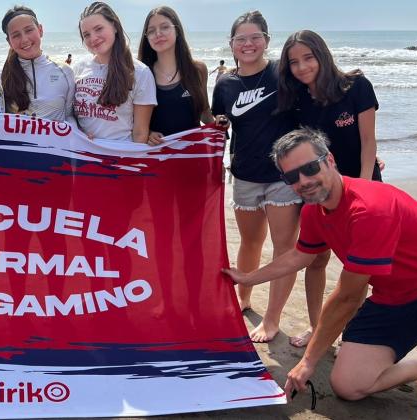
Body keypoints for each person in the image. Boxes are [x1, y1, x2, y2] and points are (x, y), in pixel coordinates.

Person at [223, 127, 417, 418]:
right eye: (292, 177)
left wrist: (308, 361)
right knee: (349, 385)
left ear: (330, 160)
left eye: (310, 168)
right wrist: (248, 277)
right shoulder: (314, 211)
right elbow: (300, 256)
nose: (304, 181)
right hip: (393, 299)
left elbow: (348, 297)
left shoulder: (369, 209)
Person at [278, 29, 384, 347]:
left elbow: (368, 142)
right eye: (294, 62)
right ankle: (318, 327)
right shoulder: (296, 100)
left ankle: (357, 335)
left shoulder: (356, 86)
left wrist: (363, 186)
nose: (302, 67)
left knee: (364, 265)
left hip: (362, 186)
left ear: (322, 54)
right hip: (317, 191)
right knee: (317, 259)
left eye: (308, 57)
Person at [211, 10, 300, 343]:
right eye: (240, 39)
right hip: (245, 174)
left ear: (266, 40)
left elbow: (316, 104)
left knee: (284, 248)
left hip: (283, 176)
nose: (248, 44)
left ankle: (273, 319)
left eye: (255, 37)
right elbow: (218, 125)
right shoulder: (225, 83)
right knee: (250, 242)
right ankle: (243, 300)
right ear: (231, 44)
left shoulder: (283, 74)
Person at [74, 2, 156, 142]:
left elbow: (140, 133)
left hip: (120, 157)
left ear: (114, 26)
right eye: (86, 35)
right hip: (83, 156)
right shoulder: (79, 67)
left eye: (98, 29)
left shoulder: (140, 72)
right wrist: (78, 132)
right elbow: (71, 116)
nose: (93, 38)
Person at [137, 6, 213, 145]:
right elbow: (133, 122)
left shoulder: (198, 69)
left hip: (194, 155)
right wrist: (148, 134)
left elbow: (204, 113)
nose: (158, 34)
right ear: (146, 37)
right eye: (151, 31)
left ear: (177, 30)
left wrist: (219, 126)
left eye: (165, 27)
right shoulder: (141, 74)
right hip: (158, 158)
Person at [0, 5, 75, 122]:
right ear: (9, 41)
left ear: (40, 30)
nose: (24, 39)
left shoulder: (65, 72)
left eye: (29, 30)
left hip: (56, 140)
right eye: (16, 35)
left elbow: (69, 115)